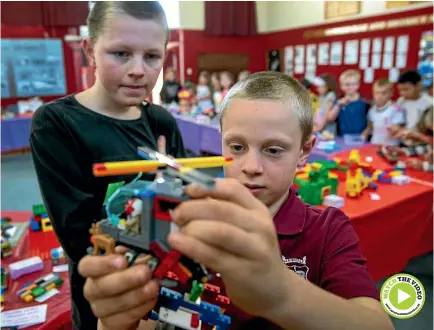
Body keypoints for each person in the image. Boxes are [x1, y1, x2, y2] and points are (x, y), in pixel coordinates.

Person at [78, 72, 394, 330]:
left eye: (273, 150)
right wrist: (115, 321)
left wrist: (281, 294)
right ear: (221, 140)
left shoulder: (328, 230)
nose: (251, 167)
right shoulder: (183, 217)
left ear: (305, 150)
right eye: (237, 147)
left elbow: (376, 323)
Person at [30, 2, 186, 330]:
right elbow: (77, 233)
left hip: (165, 282)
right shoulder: (57, 123)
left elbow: (181, 201)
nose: (138, 70)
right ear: (90, 50)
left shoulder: (160, 121)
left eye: (152, 56)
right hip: (103, 294)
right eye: (120, 54)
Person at [361, 78, 405, 145]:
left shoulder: (396, 109)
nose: (379, 96)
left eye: (383, 93)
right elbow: (370, 126)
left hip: (391, 146)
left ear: (391, 93)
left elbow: (397, 127)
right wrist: (365, 133)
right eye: (376, 93)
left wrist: (394, 129)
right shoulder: (372, 110)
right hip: (374, 144)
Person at [328, 70, 369, 136]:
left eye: (353, 84)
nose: (350, 87)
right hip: (342, 138)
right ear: (341, 86)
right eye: (347, 84)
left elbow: (371, 121)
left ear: (358, 85)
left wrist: (365, 134)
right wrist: (338, 105)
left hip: (360, 138)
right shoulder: (339, 100)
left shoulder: (365, 101)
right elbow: (330, 118)